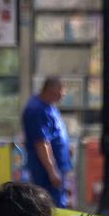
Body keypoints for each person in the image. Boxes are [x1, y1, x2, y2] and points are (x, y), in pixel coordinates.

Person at [21, 78, 73, 208]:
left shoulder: (50, 107)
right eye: (62, 89)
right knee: (50, 205)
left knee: (59, 202)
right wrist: (52, 171)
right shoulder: (37, 109)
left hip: (58, 166)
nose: (64, 93)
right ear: (52, 90)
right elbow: (41, 142)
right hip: (45, 172)